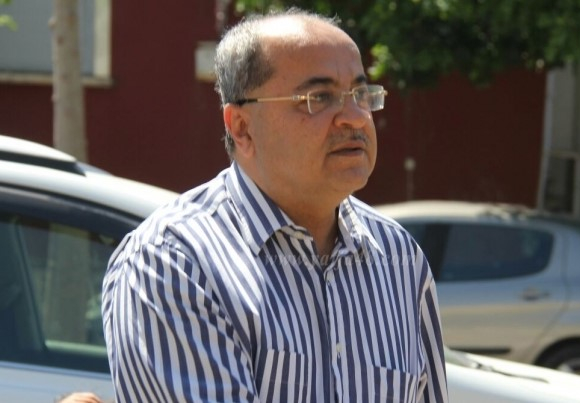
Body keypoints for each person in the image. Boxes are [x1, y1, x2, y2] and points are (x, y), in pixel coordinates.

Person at [102, 7, 447, 402]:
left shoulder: (399, 258)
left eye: (360, 94)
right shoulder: (173, 263)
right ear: (242, 128)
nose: (354, 118)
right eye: (319, 98)